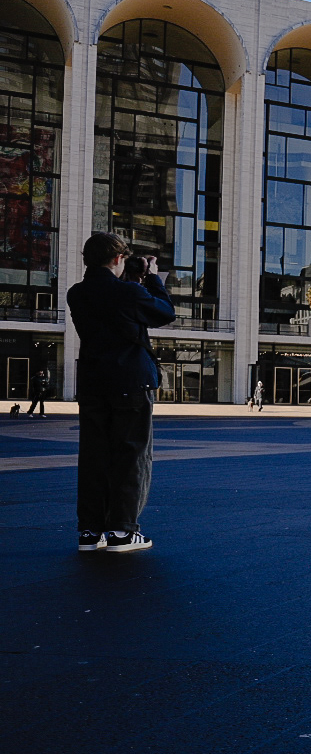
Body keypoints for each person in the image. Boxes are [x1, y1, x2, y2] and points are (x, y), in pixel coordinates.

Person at [66, 232, 175, 552]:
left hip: (93, 382)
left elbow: (112, 306)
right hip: (130, 382)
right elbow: (164, 312)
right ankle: (123, 531)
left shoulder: (77, 293)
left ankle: (90, 531)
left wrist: (132, 279)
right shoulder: (128, 292)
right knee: (131, 455)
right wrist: (153, 278)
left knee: (94, 456)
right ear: (117, 258)